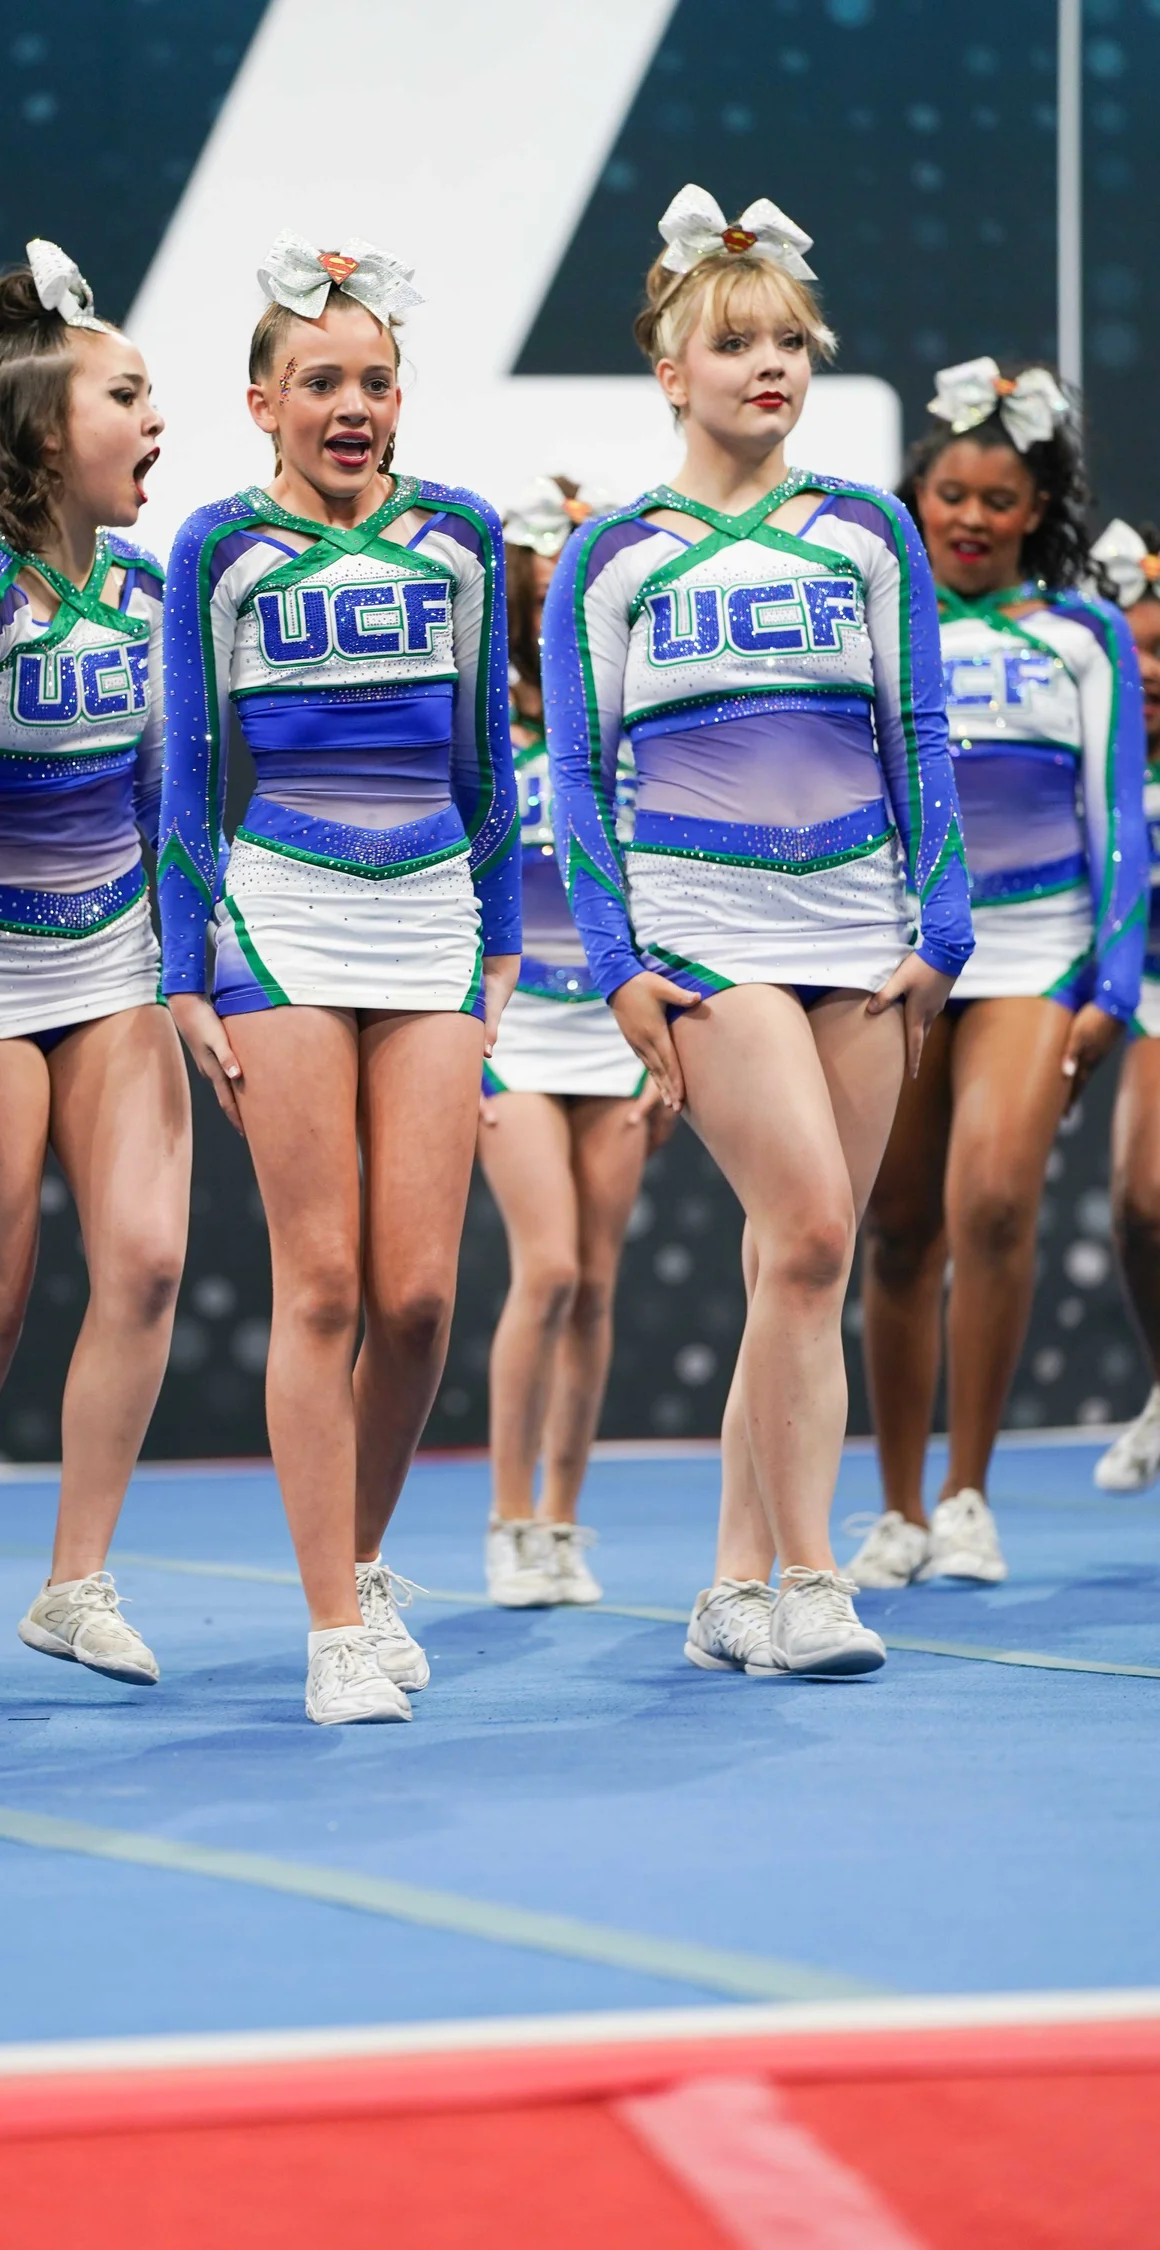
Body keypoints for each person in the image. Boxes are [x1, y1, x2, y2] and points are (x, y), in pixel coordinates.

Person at [545, 185, 971, 1678]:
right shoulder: (612, 556)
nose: (769, 365)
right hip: (703, 931)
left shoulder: (867, 531)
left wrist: (945, 921)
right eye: (734, 344)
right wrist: (616, 961)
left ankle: (730, 1585)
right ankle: (808, 1576)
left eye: (789, 341)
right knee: (808, 1232)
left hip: (858, 924)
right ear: (672, 370)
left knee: (800, 1268)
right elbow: (576, 774)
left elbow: (920, 729)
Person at [160, 232, 519, 1725]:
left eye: (374, 380)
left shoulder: (462, 535)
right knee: (321, 1285)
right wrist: (185, 970)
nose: (350, 405)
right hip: (282, 923)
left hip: (432, 920)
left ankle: (363, 1565)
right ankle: (328, 1630)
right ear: (263, 403)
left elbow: (487, 765)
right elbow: (187, 781)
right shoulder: (215, 548)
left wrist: (501, 945)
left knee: (420, 1296)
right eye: (319, 381)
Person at [0, 241, 190, 1705]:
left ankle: (75, 1582)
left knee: (148, 1262)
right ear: (45, 430)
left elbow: (165, 812)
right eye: (124, 396)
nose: (154, 418)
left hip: (115, 963)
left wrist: (188, 977)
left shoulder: (147, 590)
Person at [851, 364, 1145, 1584]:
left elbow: (1116, 817)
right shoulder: (878, 625)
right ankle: (897, 1510)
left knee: (992, 1203)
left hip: (1037, 952)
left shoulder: (1084, 636)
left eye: (999, 499)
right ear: (916, 499)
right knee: (899, 1228)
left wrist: (1112, 987)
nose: (971, 518)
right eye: (952, 495)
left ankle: (967, 1494)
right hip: (906, 951)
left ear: (1038, 511)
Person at [480, 476, 675, 1609]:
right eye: (545, 570)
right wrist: (458, 1028)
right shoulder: (475, 717)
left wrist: (664, 1036)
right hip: (508, 1031)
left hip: (615, 1025)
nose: (562, 586)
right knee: (547, 1267)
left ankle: (560, 1519)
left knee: (595, 1285)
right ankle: (507, 1520)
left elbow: (665, 876)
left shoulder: (629, 718)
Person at [1089, 521, 1160, 1489]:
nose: (1148, 669)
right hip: (1140, 988)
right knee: (1143, 1208)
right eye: (1133, 649)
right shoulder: (1089, 744)